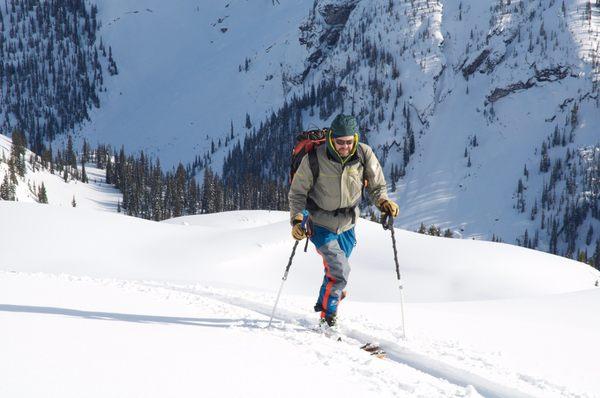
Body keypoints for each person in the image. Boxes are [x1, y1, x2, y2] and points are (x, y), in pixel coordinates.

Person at [288, 114, 399, 327]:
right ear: (331, 139)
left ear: (355, 139)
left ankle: (325, 305)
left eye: (349, 142)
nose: (345, 146)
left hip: (348, 224)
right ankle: (328, 320)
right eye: (340, 142)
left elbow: (377, 187)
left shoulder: (364, 153)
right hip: (320, 223)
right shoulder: (314, 158)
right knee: (340, 272)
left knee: (334, 271)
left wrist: (383, 202)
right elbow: (297, 193)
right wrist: (296, 220)